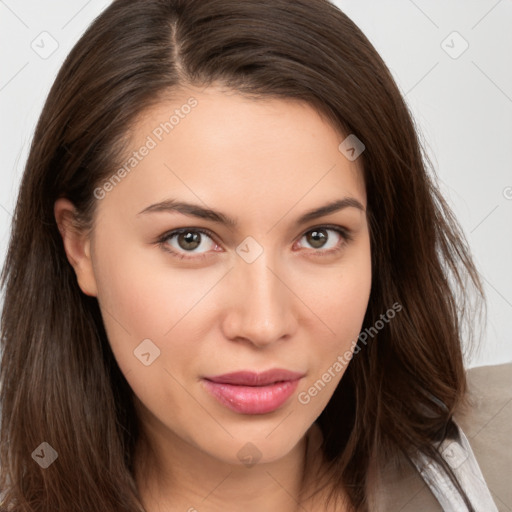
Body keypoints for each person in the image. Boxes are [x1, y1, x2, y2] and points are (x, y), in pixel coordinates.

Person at [0, 0, 499, 510]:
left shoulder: (496, 459)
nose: (263, 324)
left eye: (320, 236)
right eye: (189, 239)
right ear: (79, 245)